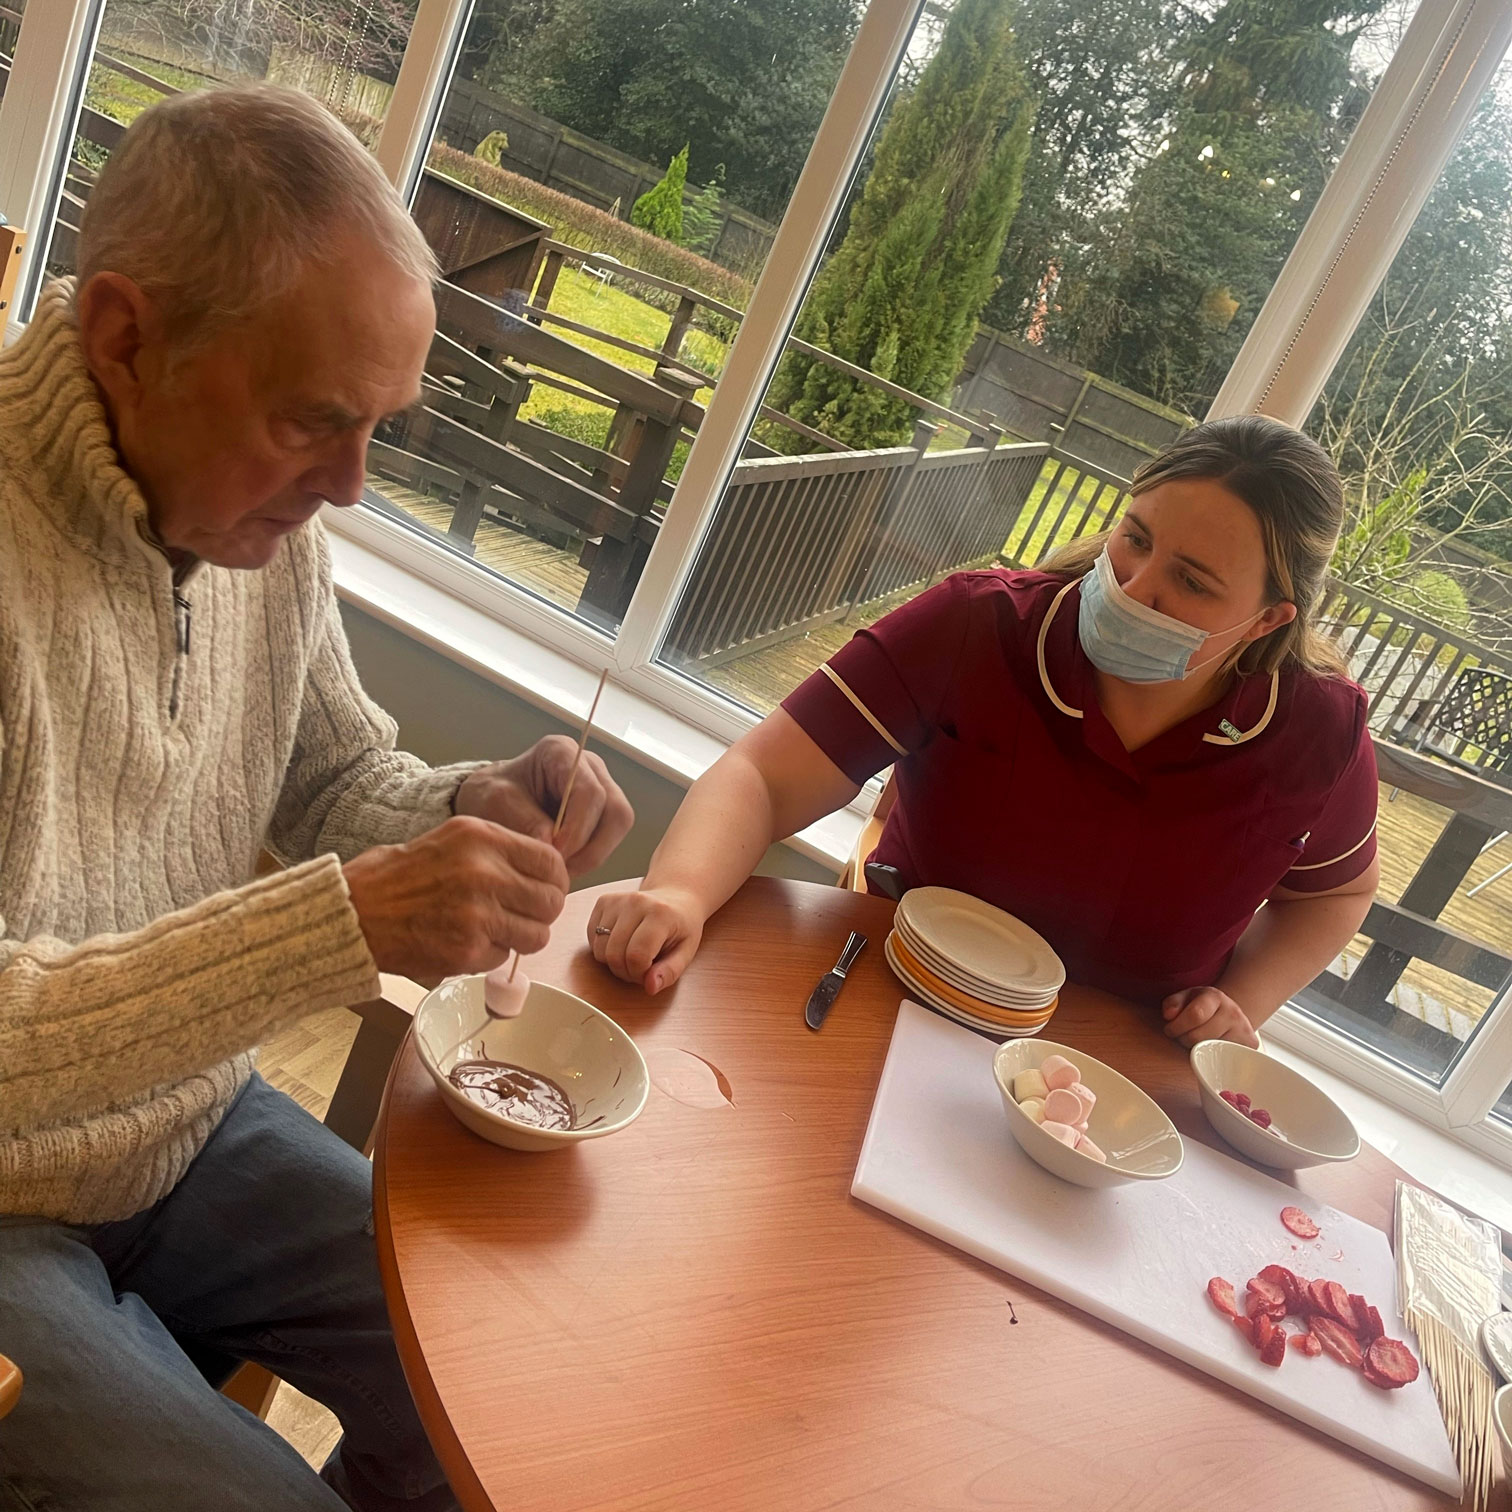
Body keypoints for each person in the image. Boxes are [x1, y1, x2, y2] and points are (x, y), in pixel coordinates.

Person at [0, 86, 633, 1511]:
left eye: (380, 429)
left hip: (179, 1127)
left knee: (507, 1372)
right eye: (314, 422)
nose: (349, 486)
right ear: (125, 339)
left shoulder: (256, 524)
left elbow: (336, 776)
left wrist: (471, 805)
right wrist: (333, 924)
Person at [589, 417, 1380, 1049]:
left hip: (1112, 1069)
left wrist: (1240, 1002)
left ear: (1268, 620)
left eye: (1192, 582)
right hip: (894, 1003)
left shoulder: (1321, 734)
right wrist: (680, 892)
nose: (1135, 587)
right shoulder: (974, 626)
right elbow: (763, 776)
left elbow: (1337, 895)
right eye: (1136, 538)